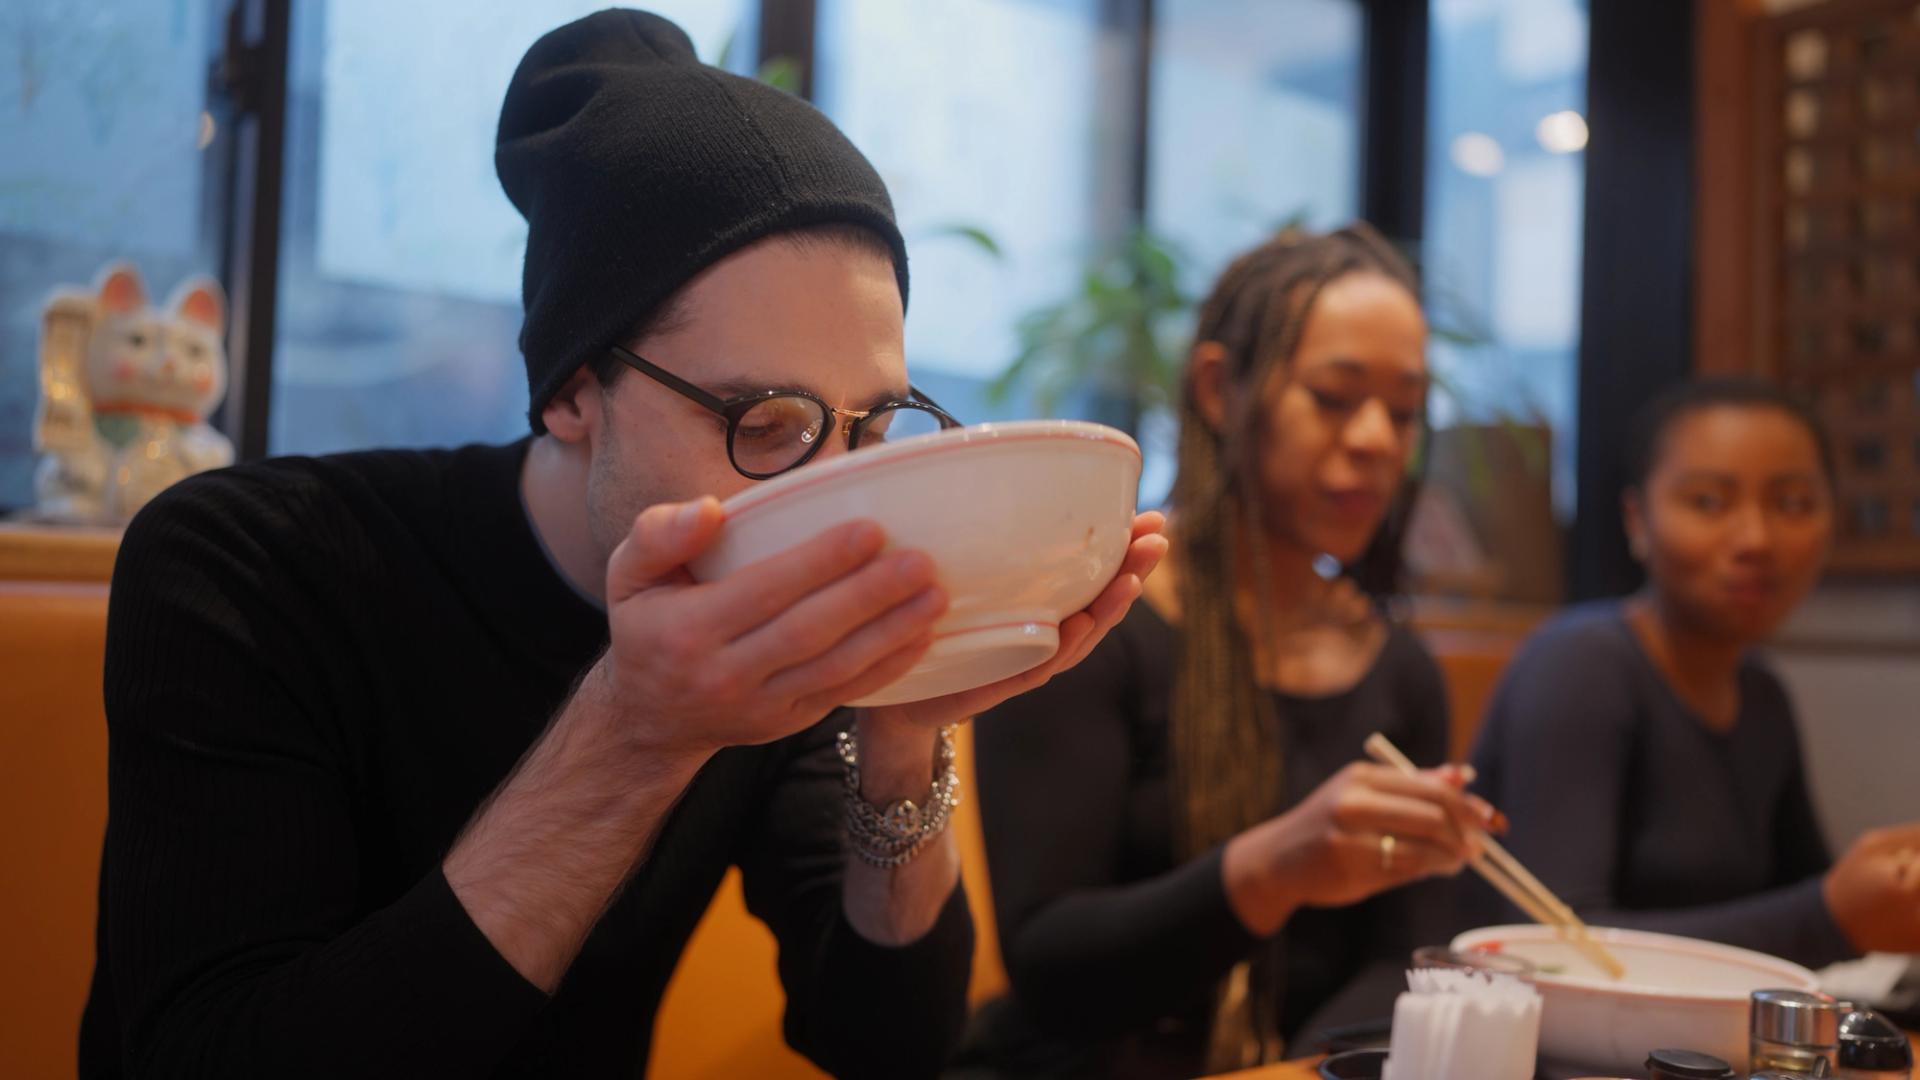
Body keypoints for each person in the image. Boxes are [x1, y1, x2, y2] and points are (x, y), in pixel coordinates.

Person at [76, 11, 1164, 1078]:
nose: (836, 493)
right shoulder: (246, 566)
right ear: (570, 392)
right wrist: (634, 734)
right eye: (764, 425)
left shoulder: (762, 615)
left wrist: (901, 739)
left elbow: (886, 1044)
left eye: (870, 428)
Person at [960, 226, 1497, 1079]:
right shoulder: (1096, 620)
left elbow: (1404, 963)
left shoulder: (1399, 671)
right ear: (1219, 387)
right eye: (1333, 396)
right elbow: (1052, 973)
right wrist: (1270, 869)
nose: (1376, 440)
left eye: (1403, 411)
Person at [1469, 377, 1920, 970]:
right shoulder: (1579, 669)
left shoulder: (1761, 691)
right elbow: (1550, 945)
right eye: (1708, 502)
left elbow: (1805, 889)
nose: (1755, 539)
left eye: (1792, 504)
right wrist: (1830, 918)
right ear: (1637, 519)